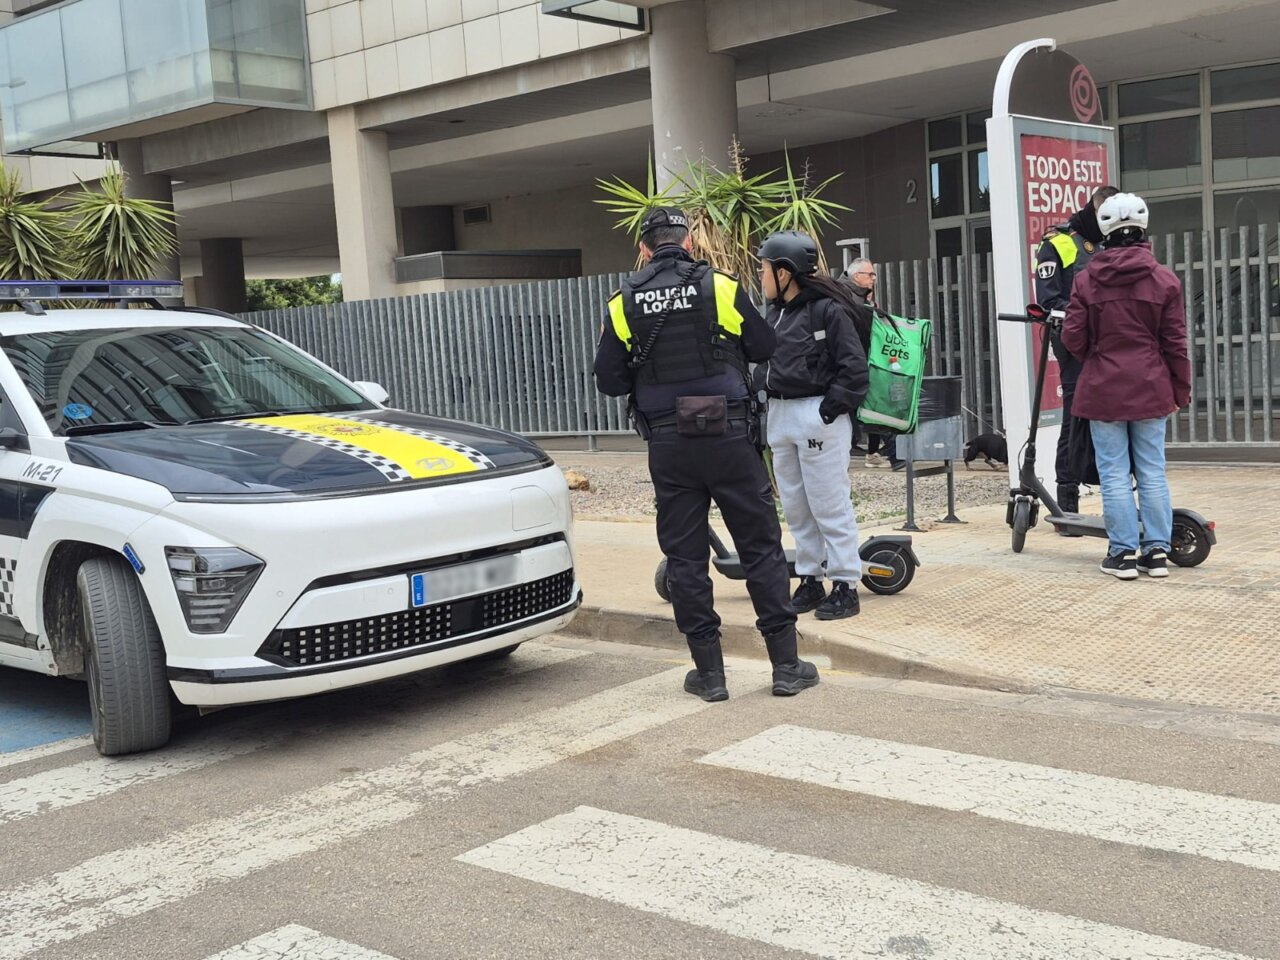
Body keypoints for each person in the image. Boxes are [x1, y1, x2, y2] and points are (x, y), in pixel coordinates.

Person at [593, 208, 819, 699]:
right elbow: (764, 346)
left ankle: (710, 675)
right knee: (759, 547)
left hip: (670, 444)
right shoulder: (719, 286)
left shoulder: (623, 300)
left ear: (645, 248)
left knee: (685, 557)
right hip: (730, 437)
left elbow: (609, 380)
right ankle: (785, 666)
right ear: (690, 243)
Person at [1061, 193, 1191, 580]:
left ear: (1104, 231)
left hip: (1103, 388)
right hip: (1152, 386)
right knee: (1152, 470)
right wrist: (1179, 390)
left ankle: (1122, 554)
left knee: (1114, 472)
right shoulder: (1165, 280)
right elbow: (1176, 343)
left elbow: (1072, 336)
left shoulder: (1087, 280)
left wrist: (1097, 355)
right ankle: (1156, 552)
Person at [754, 230, 870, 620]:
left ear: (785, 273)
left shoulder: (827, 310)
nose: (761, 276)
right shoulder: (776, 312)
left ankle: (844, 584)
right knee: (797, 506)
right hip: (781, 415)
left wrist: (828, 410)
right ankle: (809, 577)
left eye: (765, 269)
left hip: (817, 415)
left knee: (829, 502)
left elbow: (854, 369)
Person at [1034, 185, 1119, 519]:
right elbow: (1050, 300)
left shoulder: (1109, 242)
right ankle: (1066, 496)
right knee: (1076, 412)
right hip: (1073, 340)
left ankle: (1109, 488)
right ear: (1094, 211)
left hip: (1109, 341)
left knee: (1112, 411)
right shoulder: (1058, 243)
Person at [844, 257, 902, 471]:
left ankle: (874, 452)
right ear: (856, 276)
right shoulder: (849, 298)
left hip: (863, 360)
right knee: (874, 403)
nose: (873, 279)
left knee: (873, 404)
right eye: (870, 274)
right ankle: (892, 452)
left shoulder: (860, 297)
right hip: (856, 362)